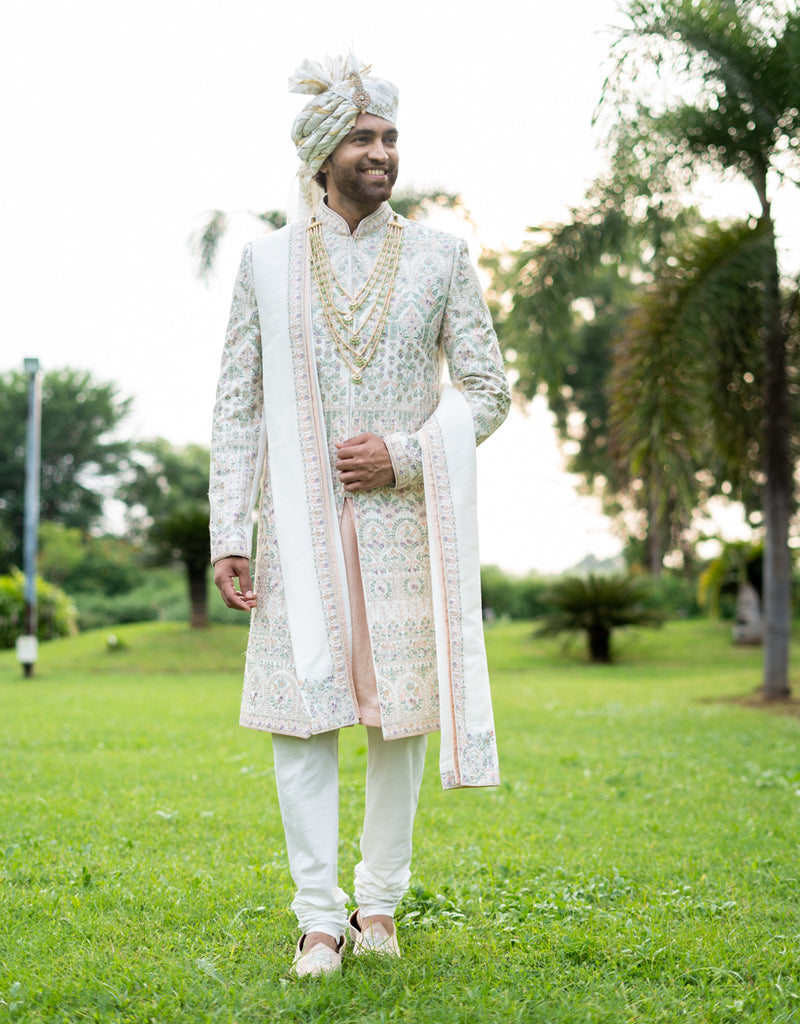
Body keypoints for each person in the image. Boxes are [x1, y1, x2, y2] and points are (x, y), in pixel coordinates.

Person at [209, 53, 510, 977]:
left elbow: (489, 391)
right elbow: (236, 405)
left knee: (396, 721)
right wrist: (228, 532)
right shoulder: (263, 263)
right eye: (363, 138)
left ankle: (377, 907)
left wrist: (407, 456)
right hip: (294, 527)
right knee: (303, 719)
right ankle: (316, 919)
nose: (381, 153)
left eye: (389, 137)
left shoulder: (441, 255)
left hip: (401, 527)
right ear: (320, 152)